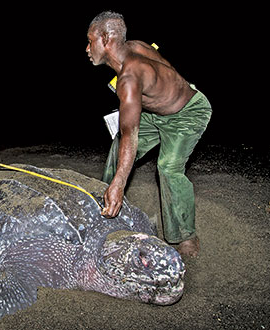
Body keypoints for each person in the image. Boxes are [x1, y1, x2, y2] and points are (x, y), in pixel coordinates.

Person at [86, 11, 212, 257]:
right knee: (118, 147)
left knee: (168, 167)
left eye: (90, 41)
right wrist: (154, 97)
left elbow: (130, 132)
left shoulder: (129, 78)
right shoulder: (135, 48)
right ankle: (103, 200)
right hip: (155, 113)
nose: (87, 48)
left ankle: (185, 236)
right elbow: (168, 68)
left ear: (105, 38)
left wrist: (121, 184)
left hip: (187, 112)